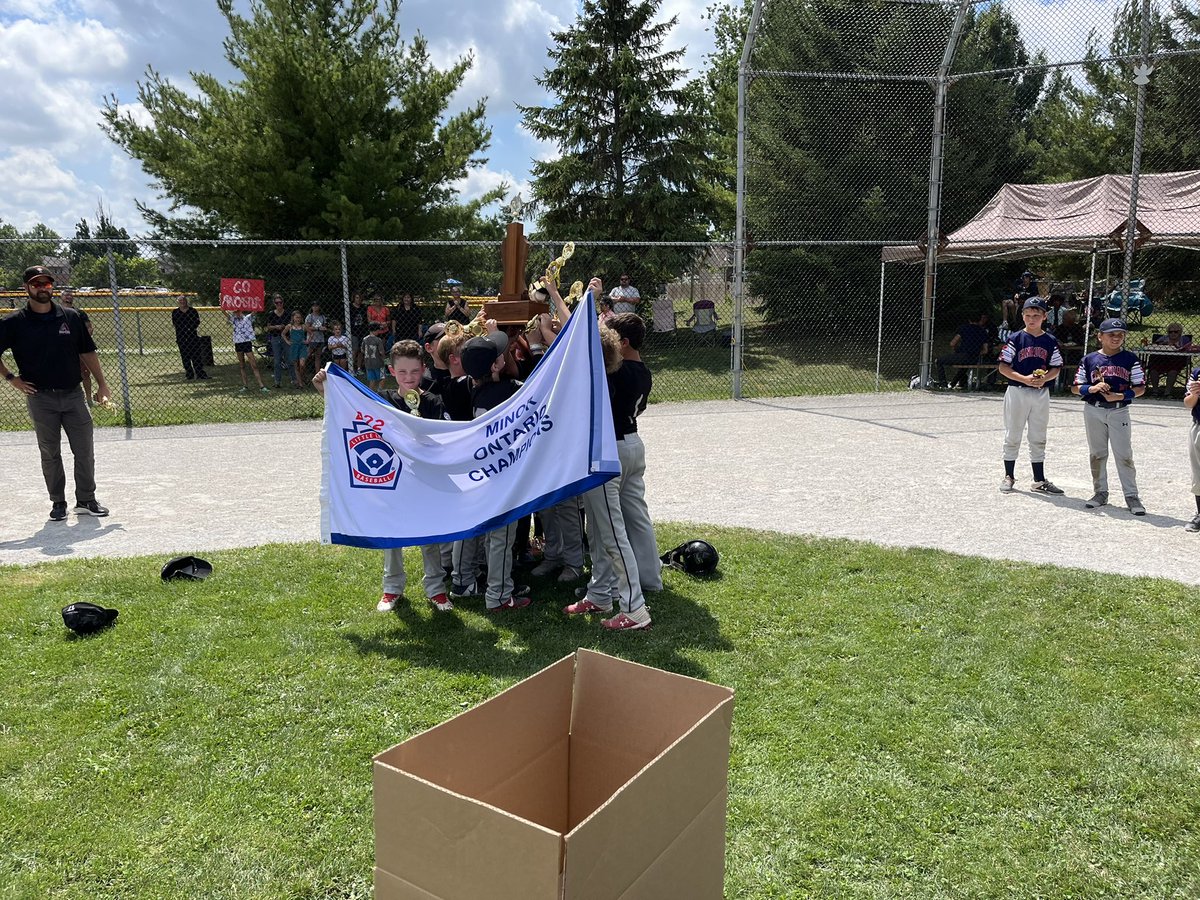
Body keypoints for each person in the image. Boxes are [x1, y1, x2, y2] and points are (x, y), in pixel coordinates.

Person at [312, 340, 454, 613]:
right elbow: (350, 411)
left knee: (429, 536)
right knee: (392, 534)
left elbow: (444, 438)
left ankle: (436, 589)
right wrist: (326, 390)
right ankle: (392, 588)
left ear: (423, 369)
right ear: (391, 371)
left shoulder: (434, 401)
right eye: (402, 373)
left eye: (414, 372)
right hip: (393, 483)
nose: (409, 378)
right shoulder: (384, 401)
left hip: (424, 482)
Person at [0, 266, 112, 520]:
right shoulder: (14, 322)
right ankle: (58, 502)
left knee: (84, 449)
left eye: (46, 284)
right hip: (41, 397)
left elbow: (88, 352)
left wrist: (102, 384)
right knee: (50, 452)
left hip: (73, 395)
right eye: (36, 284)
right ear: (26, 288)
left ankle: (86, 499)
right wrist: (11, 378)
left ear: (52, 287)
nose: (42, 288)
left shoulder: (70, 317)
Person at [458, 327, 533, 611]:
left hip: (482, 473)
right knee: (501, 536)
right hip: (502, 475)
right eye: (500, 355)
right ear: (495, 365)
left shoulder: (474, 389)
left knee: (490, 534)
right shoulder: (510, 392)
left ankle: (472, 581)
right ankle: (499, 595)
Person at [1071, 318, 1147, 515]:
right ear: (1099, 336)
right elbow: (1075, 387)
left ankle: (1131, 495)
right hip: (1094, 408)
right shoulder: (1089, 360)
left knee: (1124, 454)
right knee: (1097, 453)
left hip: (1119, 409)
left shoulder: (1130, 359)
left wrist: (1121, 395)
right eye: (1111, 334)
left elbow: (1140, 388)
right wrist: (1092, 388)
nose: (1116, 338)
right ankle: (1100, 492)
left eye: (1120, 334)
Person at [998, 297, 1064, 495]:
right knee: (1013, 433)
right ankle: (1009, 475)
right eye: (1028, 315)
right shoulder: (1015, 338)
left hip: (1040, 392)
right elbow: (1003, 367)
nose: (1031, 319)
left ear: (1044, 317)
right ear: (1022, 315)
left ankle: (1039, 479)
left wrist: (1044, 380)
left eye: (1036, 315)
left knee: (1038, 435)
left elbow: (1056, 367)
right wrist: (1024, 379)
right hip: (1017, 390)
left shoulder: (1050, 340)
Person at [935, 312, 990, 387]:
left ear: (969, 320)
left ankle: (943, 383)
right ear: (979, 319)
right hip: (975, 358)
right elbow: (985, 350)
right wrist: (976, 352)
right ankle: (953, 383)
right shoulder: (983, 331)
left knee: (939, 361)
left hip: (963, 355)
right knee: (965, 366)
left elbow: (952, 343)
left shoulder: (963, 328)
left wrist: (956, 350)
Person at [60, 288, 95, 401]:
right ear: (61, 297)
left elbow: (89, 327)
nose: (68, 297)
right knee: (62, 374)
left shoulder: (80, 313)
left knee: (85, 373)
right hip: (62, 349)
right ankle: (65, 398)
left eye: (70, 295)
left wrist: (83, 340)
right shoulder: (56, 312)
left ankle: (88, 399)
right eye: (66, 295)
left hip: (79, 349)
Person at [1145, 322, 1191, 398]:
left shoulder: (1184, 339)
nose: (1173, 334)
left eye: (1176, 332)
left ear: (1180, 332)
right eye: (1170, 332)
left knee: (1173, 371)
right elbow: (1154, 346)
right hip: (1162, 359)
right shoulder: (1163, 338)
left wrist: (1175, 346)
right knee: (1153, 370)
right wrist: (1163, 344)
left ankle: (1167, 392)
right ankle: (1155, 391)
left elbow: (1187, 348)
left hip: (1176, 360)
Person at [229, 309, 268, 393]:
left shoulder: (247, 318)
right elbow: (224, 311)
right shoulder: (234, 319)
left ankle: (261, 385)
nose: (237, 314)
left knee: (254, 365)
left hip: (246, 343)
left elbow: (255, 311)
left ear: (241, 311)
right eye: (235, 312)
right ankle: (245, 385)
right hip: (238, 343)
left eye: (238, 311)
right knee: (242, 365)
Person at [172, 294, 208, 380]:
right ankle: (189, 374)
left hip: (192, 337)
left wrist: (189, 328)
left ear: (186, 301)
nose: (182, 303)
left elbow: (196, 322)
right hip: (181, 338)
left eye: (184, 301)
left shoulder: (193, 311)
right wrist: (184, 329)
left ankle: (200, 374)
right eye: (180, 301)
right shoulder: (175, 312)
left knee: (196, 356)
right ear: (178, 303)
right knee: (185, 357)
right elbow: (176, 324)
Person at [1184, 364, 1200, 532]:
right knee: (1198, 472)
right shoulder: (1197, 372)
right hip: (1199, 427)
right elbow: (1188, 403)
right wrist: (1195, 393)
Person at [265, 293, 289, 387]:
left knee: (289, 359)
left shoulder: (287, 313)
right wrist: (276, 327)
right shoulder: (271, 314)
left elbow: (291, 324)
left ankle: (295, 380)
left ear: (283, 303)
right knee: (277, 361)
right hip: (275, 337)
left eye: (280, 302)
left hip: (286, 337)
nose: (279, 304)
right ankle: (277, 382)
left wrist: (284, 327)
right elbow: (268, 327)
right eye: (277, 303)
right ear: (274, 304)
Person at [282, 310, 308, 386]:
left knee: (302, 364)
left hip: (302, 347)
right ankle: (300, 383)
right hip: (294, 347)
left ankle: (303, 377)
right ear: (293, 318)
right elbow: (283, 334)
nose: (298, 319)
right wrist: (287, 341)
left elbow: (311, 333)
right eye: (296, 317)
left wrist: (307, 341)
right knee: (296, 365)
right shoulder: (289, 326)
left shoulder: (303, 326)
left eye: (299, 317)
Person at [360, 323, 387, 391]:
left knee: (372, 380)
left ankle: (371, 394)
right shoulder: (378, 340)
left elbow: (362, 350)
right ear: (376, 330)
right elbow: (381, 352)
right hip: (378, 363)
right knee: (382, 378)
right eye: (378, 330)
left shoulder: (365, 339)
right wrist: (385, 360)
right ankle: (379, 392)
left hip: (368, 363)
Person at [347, 292, 369, 375]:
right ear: (354, 298)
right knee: (354, 350)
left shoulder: (363, 308)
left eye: (360, 298)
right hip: (353, 331)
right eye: (356, 297)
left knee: (361, 350)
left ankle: (359, 368)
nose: (358, 299)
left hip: (362, 331)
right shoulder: (350, 307)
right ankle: (351, 368)